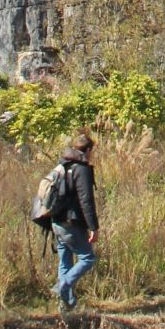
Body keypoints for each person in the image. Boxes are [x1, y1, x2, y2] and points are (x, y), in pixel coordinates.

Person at [51, 133, 99, 315]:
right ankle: (62, 286)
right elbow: (86, 200)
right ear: (87, 150)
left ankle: (66, 306)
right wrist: (93, 227)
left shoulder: (62, 166)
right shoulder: (82, 169)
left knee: (65, 262)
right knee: (87, 258)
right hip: (72, 223)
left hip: (56, 222)